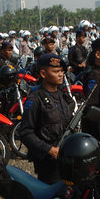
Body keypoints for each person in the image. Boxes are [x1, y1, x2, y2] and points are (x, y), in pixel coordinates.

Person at [18, 54, 74, 184]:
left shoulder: (63, 96)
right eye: (55, 71)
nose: (60, 74)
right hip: (48, 162)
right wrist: (49, 150)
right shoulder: (35, 99)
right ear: (43, 74)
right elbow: (25, 132)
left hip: (66, 158)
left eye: (61, 71)